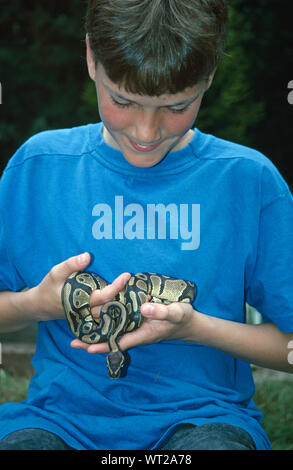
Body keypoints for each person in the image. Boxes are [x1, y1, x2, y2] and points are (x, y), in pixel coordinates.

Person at [0, 0, 292, 451]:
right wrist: (35, 304)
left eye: (177, 106)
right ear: (92, 58)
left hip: (204, 421)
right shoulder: (37, 169)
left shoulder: (248, 182)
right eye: (122, 100)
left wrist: (195, 328)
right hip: (57, 420)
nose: (146, 132)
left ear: (209, 75)